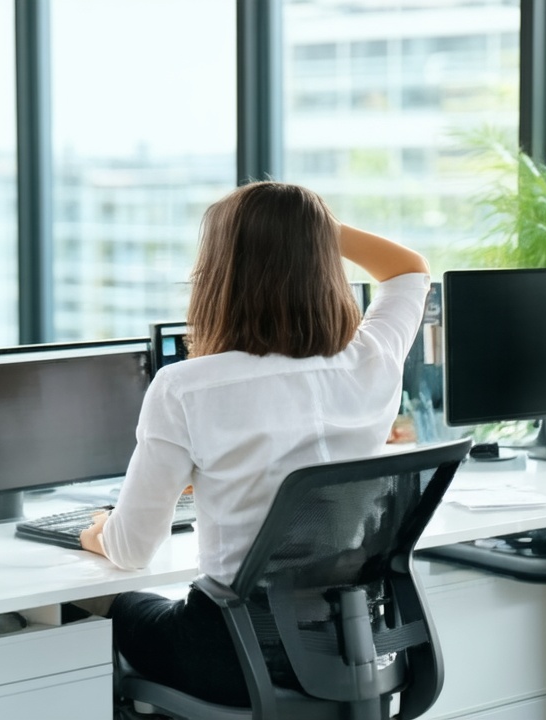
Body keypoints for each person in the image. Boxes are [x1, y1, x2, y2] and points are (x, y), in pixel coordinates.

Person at [78, 181, 430, 707]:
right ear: (322, 260)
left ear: (220, 274)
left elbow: (131, 551)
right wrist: (309, 227)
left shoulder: (185, 387)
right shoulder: (373, 358)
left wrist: (99, 532)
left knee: (104, 604)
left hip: (233, 656)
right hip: (351, 644)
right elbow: (410, 271)